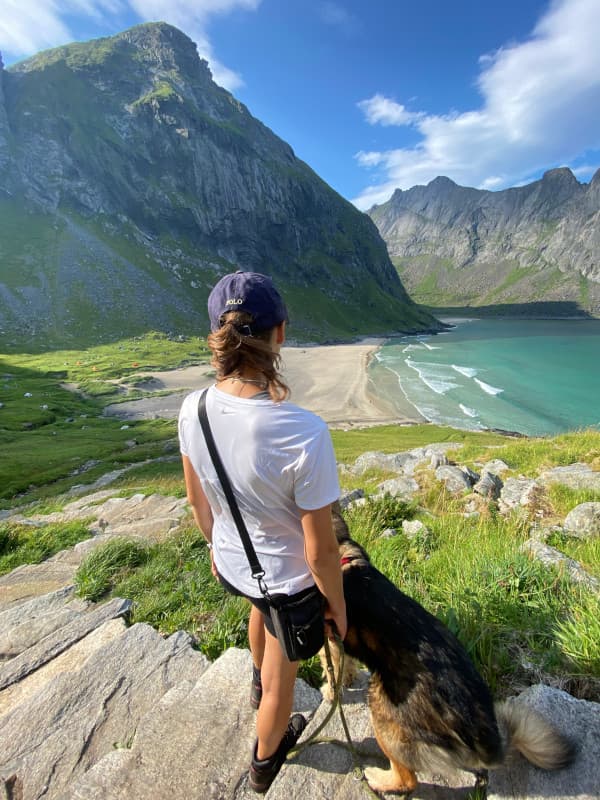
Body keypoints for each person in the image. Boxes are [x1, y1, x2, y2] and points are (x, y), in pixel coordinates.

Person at [178, 270, 347, 793]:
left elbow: (196, 499)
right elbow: (320, 552)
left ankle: (256, 680)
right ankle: (264, 760)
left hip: (233, 563)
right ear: (280, 334)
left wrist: (215, 545)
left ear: (218, 332)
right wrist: (337, 606)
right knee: (281, 685)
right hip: (287, 583)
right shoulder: (303, 432)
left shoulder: (192, 408)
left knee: (260, 610)